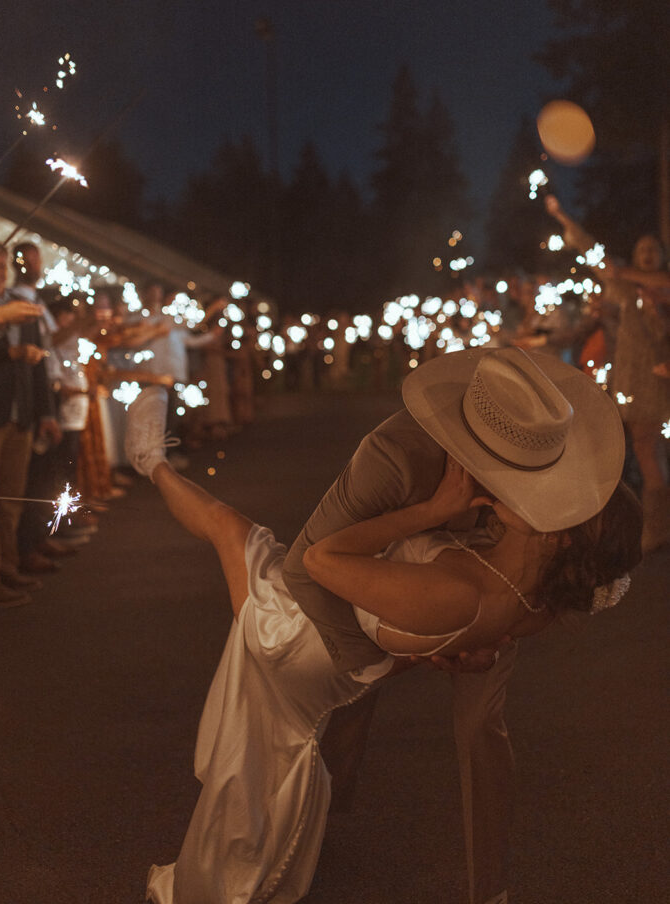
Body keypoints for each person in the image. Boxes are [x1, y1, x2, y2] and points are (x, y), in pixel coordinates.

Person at [125, 347, 639, 904]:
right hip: (338, 643)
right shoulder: (532, 600)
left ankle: (150, 461)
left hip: (299, 640)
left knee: (232, 534)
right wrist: (418, 658)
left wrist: (430, 516)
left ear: (560, 539)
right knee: (240, 543)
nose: (547, 495)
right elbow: (445, 636)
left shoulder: (462, 594)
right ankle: (152, 460)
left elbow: (318, 563)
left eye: (559, 505)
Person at [545, 195, 670, 552]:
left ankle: (656, 529)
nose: (646, 252)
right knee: (635, 451)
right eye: (641, 248)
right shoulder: (623, 288)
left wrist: (624, 271)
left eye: (653, 248)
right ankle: (640, 524)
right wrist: (563, 216)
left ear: (661, 257)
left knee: (648, 450)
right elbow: (592, 251)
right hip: (628, 381)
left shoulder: (661, 286)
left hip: (656, 382)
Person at [0, 242, 59, 606]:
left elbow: (40, 364)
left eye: (2, 266)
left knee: (13, 497)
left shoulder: (23, 308)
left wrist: (45, 412)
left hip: (21, 412)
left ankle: (8, 566)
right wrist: (9, 353)